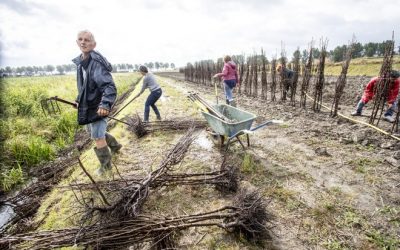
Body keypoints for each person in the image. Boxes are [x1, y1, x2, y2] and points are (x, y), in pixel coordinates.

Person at [72, 30, 122, 174]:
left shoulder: (96, 63)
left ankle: (106, 168)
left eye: (87, 40)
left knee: (98, 136)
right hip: (89, 105)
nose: (83, 42)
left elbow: (109, 86)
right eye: (80, 39)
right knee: (94, 132)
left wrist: (105, 104)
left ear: (93, 44)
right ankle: (115, 146)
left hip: (99, 106)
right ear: (77, 43)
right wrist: (78, 101)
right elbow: (85, 88)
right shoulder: (81, 63)